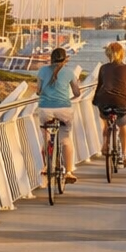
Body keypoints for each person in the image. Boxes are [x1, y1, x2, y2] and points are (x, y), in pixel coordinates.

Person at [34, 47, 82, 182]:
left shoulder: (42, 71)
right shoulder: (69, 72)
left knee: (46, 137)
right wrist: (68, 98)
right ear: (65, 59)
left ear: (51, 58)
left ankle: (46, 166)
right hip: (64, 110)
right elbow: (77, 93)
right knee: (66, 139)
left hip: (45, 110)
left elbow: (38, 91)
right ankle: (69, 172)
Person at [92, 41, 126, 166]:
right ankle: (124, 155)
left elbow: (100, 86)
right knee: (124, 125)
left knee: (106, 121)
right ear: (122, 54)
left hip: (104, 101)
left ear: (108, 54)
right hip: (121, 103)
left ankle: (105, 143)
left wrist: (95, 101)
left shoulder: (103, 68)